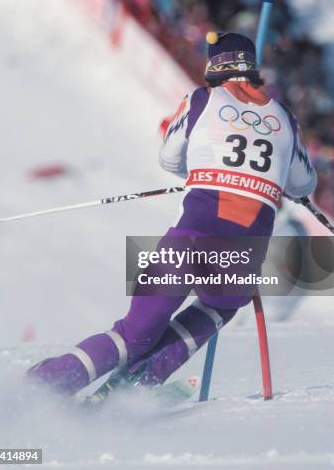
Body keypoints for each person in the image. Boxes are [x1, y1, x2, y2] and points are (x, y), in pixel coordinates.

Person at [28, 32, 317, 396]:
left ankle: (44, 385)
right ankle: (133, 389)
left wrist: (199, 172)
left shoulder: (201, 99)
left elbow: (168, 158)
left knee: (132, 334)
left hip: (190, 239)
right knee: (217, 309)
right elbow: (303, 184)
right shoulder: (285, 118)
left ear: (214, 66)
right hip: (241, 254)